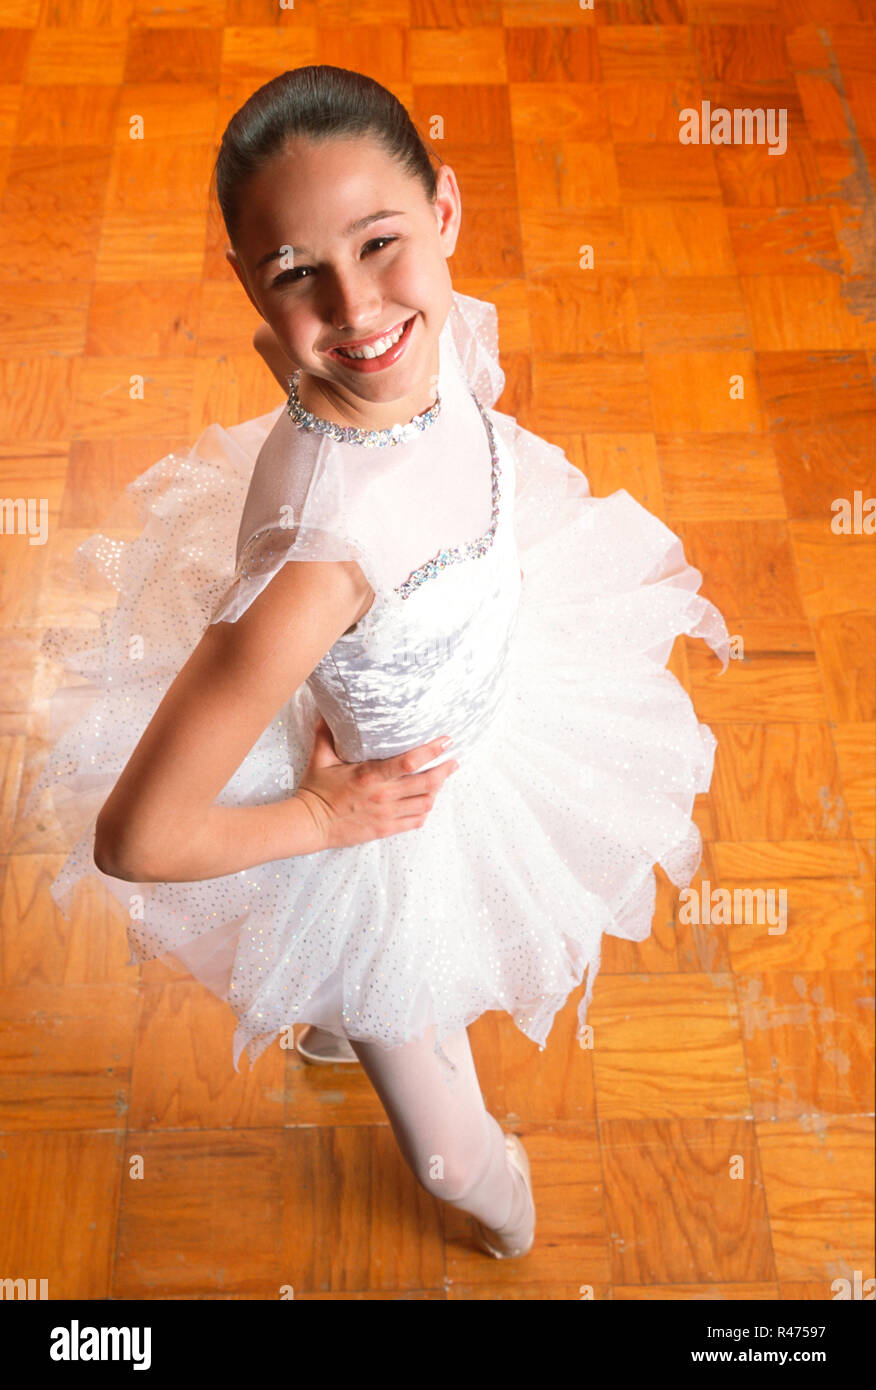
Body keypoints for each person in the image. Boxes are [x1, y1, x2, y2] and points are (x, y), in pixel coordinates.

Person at [29, 65, 729, 1260]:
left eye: (378, 244)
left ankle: (346, 1024)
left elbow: (351, 337)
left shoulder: (423, 336)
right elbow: (135, 840)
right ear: (252, 278)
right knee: (453, 1149)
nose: (358, 311)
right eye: (298, 272)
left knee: (370, 1004)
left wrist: (302, 348)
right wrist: (323, 815)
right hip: (380, 816)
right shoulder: (318, 566)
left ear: (445, 212)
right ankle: (504, 1220)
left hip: (492, 695)